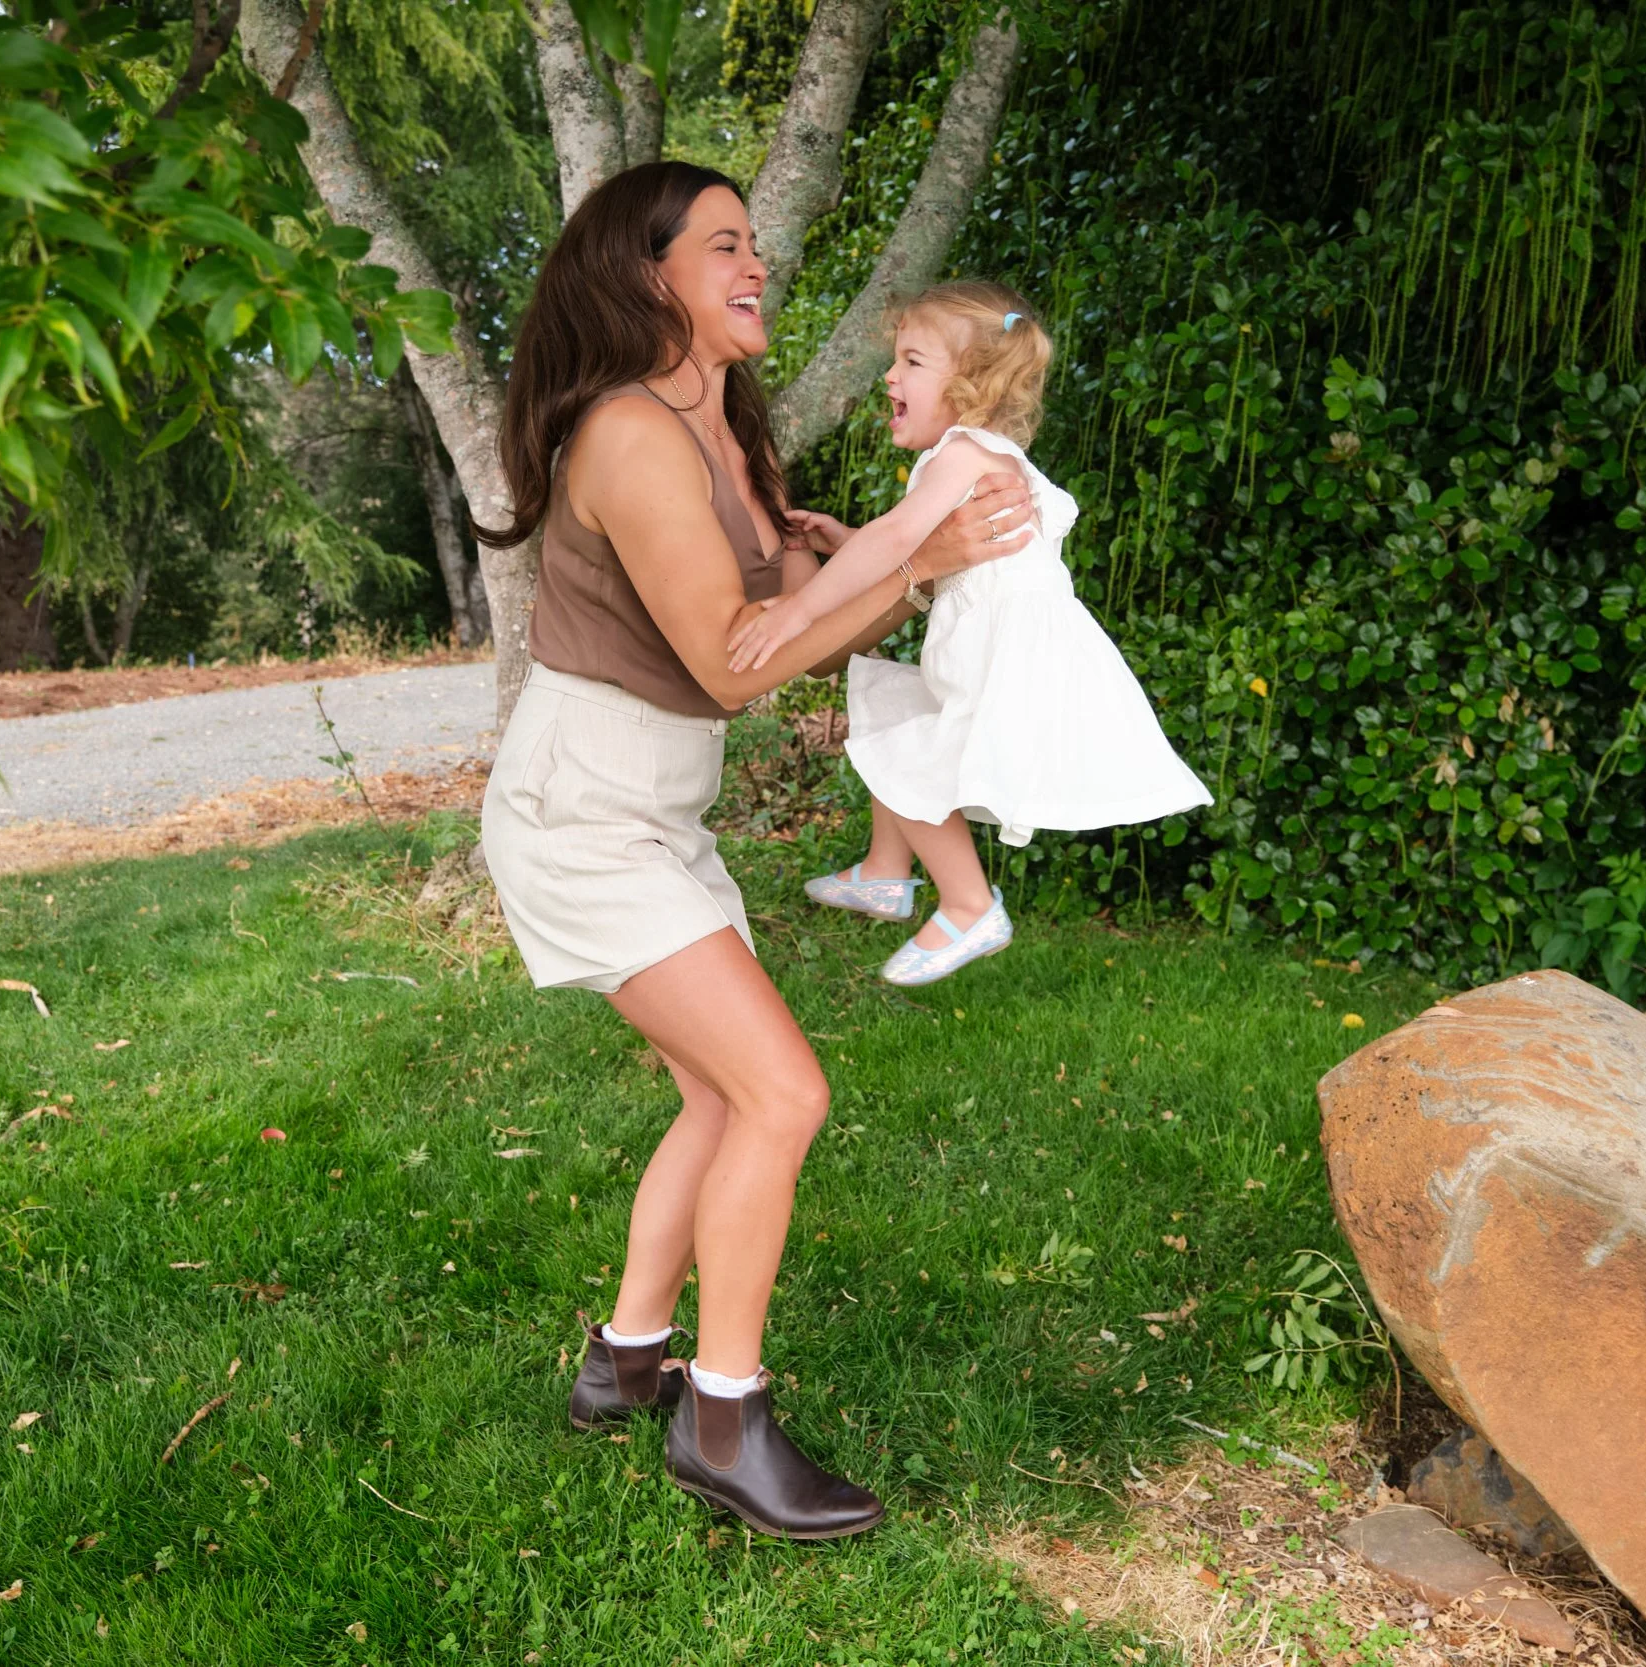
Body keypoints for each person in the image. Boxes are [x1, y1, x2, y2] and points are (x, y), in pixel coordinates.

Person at [472, 163, 1035, 1540]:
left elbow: (774, 594)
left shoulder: (719, 415)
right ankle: (722, 1416)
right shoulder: (629, 435)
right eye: (723, 243)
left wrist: (850, 556)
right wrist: (910, 561)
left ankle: (624, 1358)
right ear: (643, 271)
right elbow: (736, 665)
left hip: (653, 806)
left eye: (755, 240)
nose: (756, 260)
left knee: (724, 1098)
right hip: (582, 806)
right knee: (782, 1091)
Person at [725, 282, 1211, 984]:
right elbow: (907, 544)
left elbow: (899, 537)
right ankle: (887, 870)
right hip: (1019, 650)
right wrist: (842, 540)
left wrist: (797, 611)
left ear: (971, 386)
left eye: (912, 362)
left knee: (913, 753)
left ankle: (968, 902)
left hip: (1003, 658)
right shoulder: (984, 456)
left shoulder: (962, 452)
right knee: (891, 711)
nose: (890, 376)